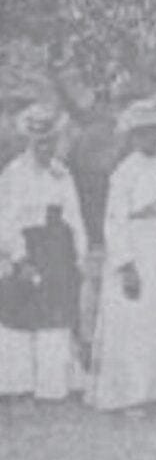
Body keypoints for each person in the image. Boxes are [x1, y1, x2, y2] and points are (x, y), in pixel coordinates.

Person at [88, 98, 156, 412]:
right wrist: (126, 264)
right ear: (132, 136)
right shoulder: (125, 172)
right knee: (134, 319)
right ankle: (130, 394)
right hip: (137, 249)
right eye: (144, 133)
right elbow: (115, 221)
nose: (151, 139)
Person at [0, 103, 87, 401]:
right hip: (28, 247)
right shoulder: (14, 173)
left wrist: (79, 253)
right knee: (20, 311)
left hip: (57, 248)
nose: (45, 148)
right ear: (29, 141)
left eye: (50, 141)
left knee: (55, 313)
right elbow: (6, 221)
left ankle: (52, 386)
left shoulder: (61, 173)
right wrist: (19, 257)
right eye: (39, 142)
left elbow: (74, 215)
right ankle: (17, 384)